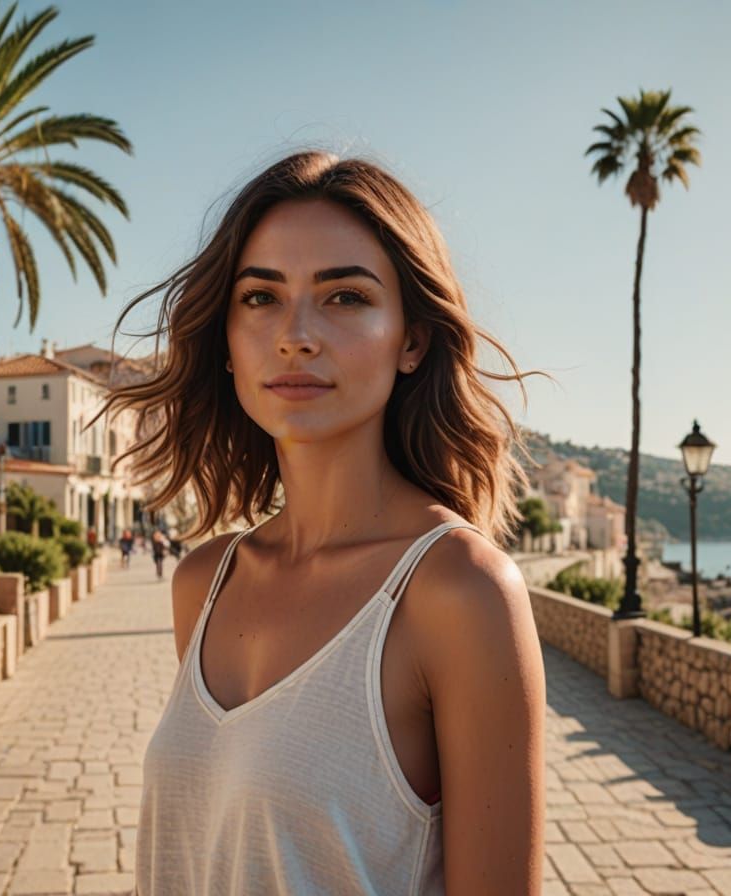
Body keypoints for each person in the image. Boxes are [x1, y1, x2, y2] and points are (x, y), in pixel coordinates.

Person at [110, 151, 547, 894]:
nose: (295, 335)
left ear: (411, 340)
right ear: (227, 336)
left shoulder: (458, 593)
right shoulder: (203, 581)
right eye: (260, 298)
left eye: (344, 297)